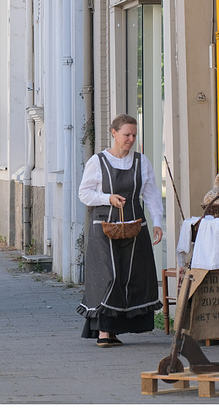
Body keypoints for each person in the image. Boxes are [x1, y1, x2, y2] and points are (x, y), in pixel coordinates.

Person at [77, 114, 163, 347]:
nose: (131, 139)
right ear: (113, 133)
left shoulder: (141, 162)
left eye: (134, 135)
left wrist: (157, 221)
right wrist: (108, 198)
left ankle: (115, 330)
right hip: (104, 227)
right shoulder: (97, 161)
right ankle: (103, 332)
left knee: (131, 277)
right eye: (127, 135)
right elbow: (84, 194)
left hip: (135, 226)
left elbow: (152, 193)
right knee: (109, 276)